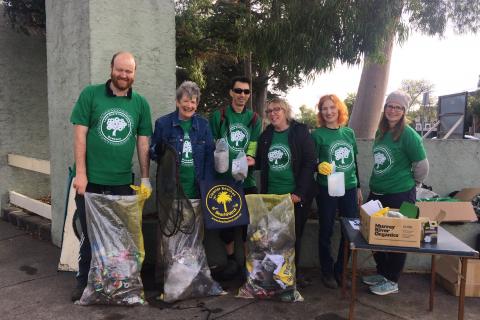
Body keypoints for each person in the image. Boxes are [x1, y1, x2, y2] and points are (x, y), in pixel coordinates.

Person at [69, 51, 153, 302]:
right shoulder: (90, 95)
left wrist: (145, 177)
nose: (124, 75)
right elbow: (79, 134)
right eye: (120, 69)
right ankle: (84, 282)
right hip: (91, 182)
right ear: (111, 69)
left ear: (134, 73)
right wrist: (81, 174)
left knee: (119, 239)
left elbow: (143, 142)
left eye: (129, 71)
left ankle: (117, 284)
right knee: (89, 237)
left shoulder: (140, 103)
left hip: (122, 183)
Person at [363, 90, 429, 295]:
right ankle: (383, 272)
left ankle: (392, 280)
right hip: (377, 192)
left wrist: (413, 184)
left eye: (398, 107)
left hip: (401, 194)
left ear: (404, 111)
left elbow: (422, 165)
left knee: (398, 238)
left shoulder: (409, 135)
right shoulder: (381, 132)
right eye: (390, 106)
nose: (393, 110)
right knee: (373, 234)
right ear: (385, 108)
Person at [256, 98, 316, 283]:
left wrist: (299, 193)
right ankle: (276, 276)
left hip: (295, 197)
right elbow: (259, 162)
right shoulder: (266, 136)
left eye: (277, 110)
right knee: (274, 238)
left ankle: (291, 277)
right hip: (273, 197)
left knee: (293, 238)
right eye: (269, 111)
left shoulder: (300, 132)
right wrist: (246, 162)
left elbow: (309, 163)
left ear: (285, 111)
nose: (273, 114)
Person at [209, 76, 262, 279]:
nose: (242, 95)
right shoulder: (219, 116)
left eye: (246, 92)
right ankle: (231, 261)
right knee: (227, 222)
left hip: (246, 179)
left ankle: (248, 265)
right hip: (223, 178)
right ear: (231, 92)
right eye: (238, 91)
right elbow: (213, 142)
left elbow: (254, 143)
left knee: (249, 223)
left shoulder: (254, 118)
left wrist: (250, 157)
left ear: (249, 95)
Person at [312, 94, 363, 289]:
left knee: (350, 231)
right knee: (326, 230)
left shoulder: (349, 133)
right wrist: (318, 167)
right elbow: (311, 162)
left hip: (349, 188)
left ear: (339, 109)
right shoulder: (317, 135)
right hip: (327, 188)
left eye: (332, 107)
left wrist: (358, 187)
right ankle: (327, 271)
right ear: (321, 112)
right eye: (324, 108)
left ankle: (340, 270)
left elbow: (355, 162)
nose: (328, 112)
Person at [150, 80, 214, 200]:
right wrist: (158, 149)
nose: (189, 105)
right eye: (185, 101)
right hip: (170, 190)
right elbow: (154, 154)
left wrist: (208, 187)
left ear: (197, 105)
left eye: (193, 102)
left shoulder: (203, 125)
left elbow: (209, 158)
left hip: (198, 190)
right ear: (177, 102)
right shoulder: (163, 124)